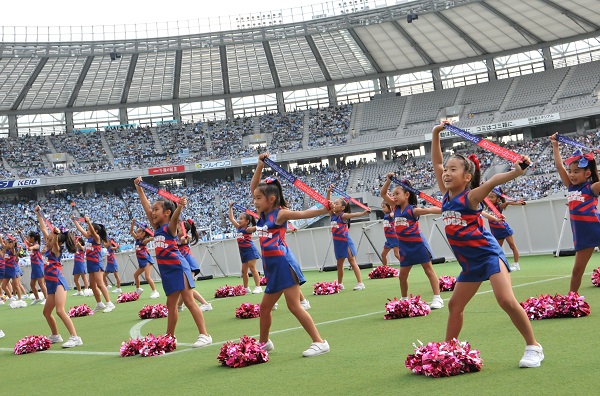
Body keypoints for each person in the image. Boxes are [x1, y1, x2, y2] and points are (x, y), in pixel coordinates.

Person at [431, 121, 543, 368]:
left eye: (453, 170)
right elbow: (436, 162)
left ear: (467, 177)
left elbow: (492, 182)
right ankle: (448, 350)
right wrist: (436, 133)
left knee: (505, 300)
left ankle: (533, 346)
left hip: (488, 255)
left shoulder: (470, 196)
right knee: (454, 305)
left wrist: (516, 172)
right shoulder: (445, 195)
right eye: (446, 170)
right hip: (469, 264)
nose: (446, 173)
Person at [251, 153, 330, 357]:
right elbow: (253, 187)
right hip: (272, 267)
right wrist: (259, 165)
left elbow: (304, 214)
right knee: (264, 308)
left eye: (258, 198)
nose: (255, 201)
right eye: (254, 199)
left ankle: (320, 342)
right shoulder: (262, 215)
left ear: (272, 199)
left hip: (284, 263)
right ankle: (264, 342)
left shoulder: (280, 213)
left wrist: (324, 209)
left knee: (294, 306)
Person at [134, 177, 211, 348]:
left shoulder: (170, 227)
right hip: (167, 271)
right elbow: (145, 205)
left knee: (189, 300)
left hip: (178, 267)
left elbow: (176, 217)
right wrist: (139, 188)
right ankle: (169, 337)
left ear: (167, 213)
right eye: (153, 210)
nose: (152, 212)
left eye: (156, 209)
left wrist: (180, 206)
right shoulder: (155, 228)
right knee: (171, 305)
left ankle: (205, 334)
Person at [380, 176, 443, 309]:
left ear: (407, 194)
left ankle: (437, 298)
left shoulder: (413, 210)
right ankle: (404, 299)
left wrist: (448, 209)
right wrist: (389, 180)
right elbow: (383, 193)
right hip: (404, 247)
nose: (394, 197)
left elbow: (430, 210)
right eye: (393, 195)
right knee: (402, 275)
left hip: (418, 245)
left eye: (397, 194)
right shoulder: (394, 208)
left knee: (429, 270)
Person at [550, 132, 600, 293]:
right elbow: (559, 166)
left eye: (576, 171)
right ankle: (572, 298)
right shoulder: (570, 187)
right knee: (577, 271)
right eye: (571, 171)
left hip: (596, 229)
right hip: (582, 235)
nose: (571, 174)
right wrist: (555, 145)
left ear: (587, 174)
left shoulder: (591, 188)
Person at [34, 206, 83, 348]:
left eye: (49, 239)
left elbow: (54, 241)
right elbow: (44, 229)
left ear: (59, 243)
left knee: (60, 310)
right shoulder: (48, 247)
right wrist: (39, 215)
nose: (47, 241)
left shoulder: (56, 249)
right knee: (46, 312)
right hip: (50, 284)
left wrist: (55, 235)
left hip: (58, 282)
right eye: (47, 239)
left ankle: (75, 337)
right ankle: (55, 335)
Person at [325, 185, 370, 291]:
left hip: (345, 242)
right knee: (339, 264)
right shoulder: (332, 215)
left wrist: (364, 213)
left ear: (342, 208)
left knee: (352, 262)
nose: (334, 204)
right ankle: (340, 284)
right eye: (334, 203)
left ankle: (360, 283)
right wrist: (329, 192)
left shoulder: (343, 216)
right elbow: (327, 203)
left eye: (336, 203)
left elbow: (354, 215)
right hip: (337, 243)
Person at [71, 216, 115, 313]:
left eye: (88, 229)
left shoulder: (97, 238)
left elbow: (92, 231)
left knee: (100, 284)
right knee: (92, 285)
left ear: (94, 230)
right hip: (90, 263)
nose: (87, 231)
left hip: (96, 263)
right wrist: (74, 220)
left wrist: (89, 223)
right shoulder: (89, 238)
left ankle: (109, 303)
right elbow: (80, 229)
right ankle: (99, 303)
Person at [486, 187, 526, 271]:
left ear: (497, 199)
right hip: (496, 231)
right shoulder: (488, 206)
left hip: (504, 229)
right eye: (489, 197)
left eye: (492, 197)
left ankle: (516, 264)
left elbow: (508, 203)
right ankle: (498, 265)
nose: (489, 198)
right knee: (497, 249)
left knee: (512, 246)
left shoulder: (498, 206)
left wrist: (519, 203)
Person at [176, 221, 212, 312]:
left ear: (185, 230)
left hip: (189, 265)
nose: (176, 229)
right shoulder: (176, 237)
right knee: (183, 287)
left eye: (179, 228)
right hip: (184, 264)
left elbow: (184, 240)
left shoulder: (185, 238)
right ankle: (179, 306)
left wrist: (184, 239)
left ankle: (206, 304)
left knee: (187, 288)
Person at [228, 202, 262, 294]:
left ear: (247, 222)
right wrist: (230, 207)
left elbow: (256, 228)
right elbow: (231, 218)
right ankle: (246, 288)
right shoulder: (239, 228)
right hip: (243, 252)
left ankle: (258, 287)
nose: (239, 220)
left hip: (250, 250)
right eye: (239, 219)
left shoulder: (247, 229)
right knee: (244, 271)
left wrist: (262, 220)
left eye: (241, 219)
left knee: (253, 268)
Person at [130, 220, 160, 299]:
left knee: (147, 277)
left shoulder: (144, 241)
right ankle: (138, 289)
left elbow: (152, 237)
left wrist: (149, 231)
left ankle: (155, 291)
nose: (136, 234)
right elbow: (131, 231)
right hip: (141, 261)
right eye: (137, 232)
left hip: (147, 260)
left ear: (143, 233)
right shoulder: (137, 239)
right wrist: (133, 223)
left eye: (138, 232)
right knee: (135, 275)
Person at [0, 235, 24, 304]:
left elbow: (13, 247)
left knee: (16, 285)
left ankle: (20, 299)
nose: (5, 243)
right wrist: (1, 237)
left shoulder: (12, 250)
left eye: (6, 242)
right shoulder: (6, 250)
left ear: (10, 244)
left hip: (13, 269)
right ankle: (11, 298)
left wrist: (13, 242)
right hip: (6, 269)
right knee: (4, 286)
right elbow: (1, 242)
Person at [26, 231, 47, 305]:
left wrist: (30, 247)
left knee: (41, 283)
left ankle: (46, 298)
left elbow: (34, 247)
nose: (28, 238)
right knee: (32, 284)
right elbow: (26, 242)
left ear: (33, 238)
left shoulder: (36, 245)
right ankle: (37, 298)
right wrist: (20, 234)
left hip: (38, 266)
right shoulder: (32, 244)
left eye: (29, 237)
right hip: (34, 267)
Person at [380, 202, 401, 266]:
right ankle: (385, 268)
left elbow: (393, 215)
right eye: (382, 207)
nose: (383, 209)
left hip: (394, 238)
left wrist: (396, 214)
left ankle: (405, 266)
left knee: (396, 254)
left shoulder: (389, 215)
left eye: (384, 207)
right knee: (383, 255)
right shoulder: (385, 215)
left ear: (390, 208)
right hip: (389, 239)